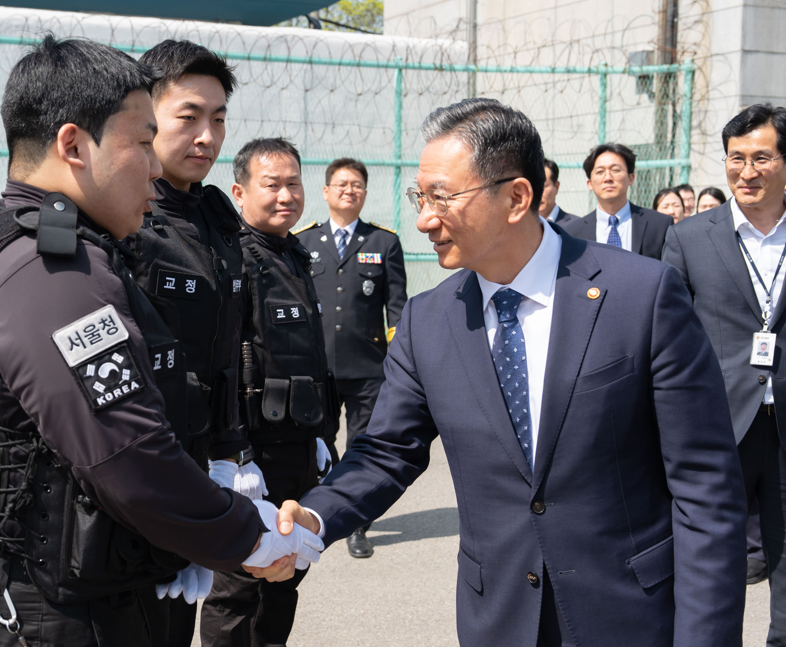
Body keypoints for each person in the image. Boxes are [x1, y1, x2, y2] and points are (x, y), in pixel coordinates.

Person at [257, 98, 748, 646]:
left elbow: (706, 489)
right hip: (500, 618)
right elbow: (387, 449)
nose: (424, 219)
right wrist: (316, 518)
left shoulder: (642, 296)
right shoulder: (430, 320)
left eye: (442, 197)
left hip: (629, 613)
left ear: (517, 196)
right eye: (421, 197)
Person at [0, 36, 322, 647]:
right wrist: (247, 536)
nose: (156, 168)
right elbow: (127, 455)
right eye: (140, 144)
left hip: (66, 593)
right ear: (73, 145)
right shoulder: (52, 271)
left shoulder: (60, 249)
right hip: (31, 613)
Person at [127, 40, 268, 647]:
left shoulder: (214, 215)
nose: (207, 136)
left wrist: (234, 453)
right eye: (189, 117)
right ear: (144, 115)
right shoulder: (124, 218)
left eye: (218, 120)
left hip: (203, 466)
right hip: (141, 476)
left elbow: (228, 347)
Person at [662, 103, 786, 646]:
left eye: (762, 158)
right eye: (735, 158)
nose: (746, 171)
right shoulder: (691, 238)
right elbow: (669, 341)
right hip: (717, 427)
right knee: (713, 565)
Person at [198, 137, 336, 647]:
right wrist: (234, 456)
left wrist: (322, 435)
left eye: (293, 184)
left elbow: (310, 358)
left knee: (288, 569)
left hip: (297, 445)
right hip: (253, 455)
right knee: (238, 585)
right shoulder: (234, 258)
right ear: (240, 191)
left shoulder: (295, 254)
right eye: (271, 185)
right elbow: (224, 361)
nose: (286, 195)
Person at [294, 158, 408, 559]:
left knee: (364, 446)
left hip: (368, 367)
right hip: (318, 366)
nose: (349, 190)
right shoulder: (303, 242)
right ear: (325, 192)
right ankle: (323, 513)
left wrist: (400, 359)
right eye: (341, 184)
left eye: (357, 184)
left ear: (364, 193)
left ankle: (358, 524)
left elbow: (397, 309)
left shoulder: (384, 243)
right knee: (320, 442)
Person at [560, 142, 673, 259]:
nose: (608, 178)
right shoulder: (572, 233)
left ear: (631, 178)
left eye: (616, 170)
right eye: (600, 172)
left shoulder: (659, 224)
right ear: (589, 184)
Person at [538, 158, 577, 224]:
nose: (538, 193)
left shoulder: (575, 224)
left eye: (544, 186)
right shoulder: (519, 226)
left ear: (556, 187)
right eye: (533, 187)